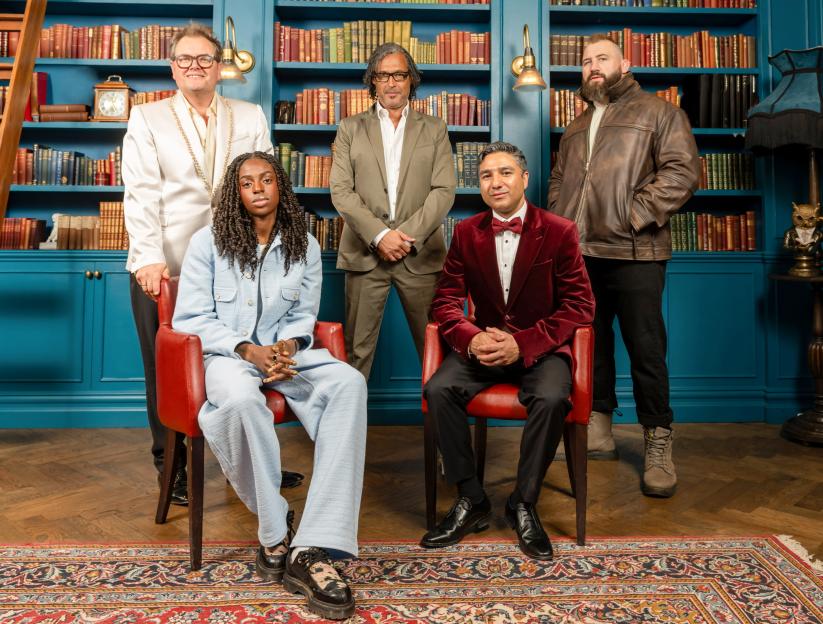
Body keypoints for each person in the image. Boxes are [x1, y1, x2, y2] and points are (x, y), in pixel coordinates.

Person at [173, 152, 366, 621]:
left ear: (280, 186)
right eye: (246, 182)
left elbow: (305, 316)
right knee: (239, 401)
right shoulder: (207, 243)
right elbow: (191, 318)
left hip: (285, 356)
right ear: (235, 193)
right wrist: (247, 350)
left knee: (349, 383)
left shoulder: (304, 245)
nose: (258, 188)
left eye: (266, 179)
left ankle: (313, 543)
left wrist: (286, 346)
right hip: (226, 358)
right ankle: (275, 531)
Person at [123, 23, 303, 505]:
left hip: (239, 263)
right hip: (170, 264)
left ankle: (249, 455)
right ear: (172, 67)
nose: (194, 68)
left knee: (244, 355)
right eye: (185, 60)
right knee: (166, 368)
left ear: (220, 67)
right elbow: (140, 191)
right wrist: (147, 257)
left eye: (204, 59)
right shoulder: (147, 117)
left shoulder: (248, 113)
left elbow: (266, 186)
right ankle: (173, 467)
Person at [421, 142, 594, 560]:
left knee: (552, 396)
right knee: (439, 389)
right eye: (485, 176)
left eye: (504, 173)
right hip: (483, 348)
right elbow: (444, 301)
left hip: (541, 350)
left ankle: (523, 502)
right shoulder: (465, 231)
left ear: (525, 179)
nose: (495, 182)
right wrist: (469, 337)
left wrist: (523, 343)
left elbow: (580, 305)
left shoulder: (559, 230)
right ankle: (471, 498)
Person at [548, 34, 700, 498]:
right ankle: (598, 429)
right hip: (581, 255)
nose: (593, 67)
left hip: (636, 251)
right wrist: (560, 222)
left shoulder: (660, 113)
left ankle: (658, 439)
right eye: (586, 60)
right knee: (591, 346)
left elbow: (683, 172)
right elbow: (558, 181)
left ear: (625, 63)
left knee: (646, 348)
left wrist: (632, 216)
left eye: (602, 59)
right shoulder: (575, 126)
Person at [330, 42, 456, 379]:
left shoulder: (435, 129)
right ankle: (350, 431)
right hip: (364, 254)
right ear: (372, 80)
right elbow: (341, 191)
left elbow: (443, 191)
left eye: (399, 74)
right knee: (357, 352)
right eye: (382, 75)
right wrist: (380, 235)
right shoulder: (349, 128)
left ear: (411, 79)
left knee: (436, 350)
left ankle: (441, 432)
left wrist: (404, 238)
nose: (391, 83)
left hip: (421, 257)